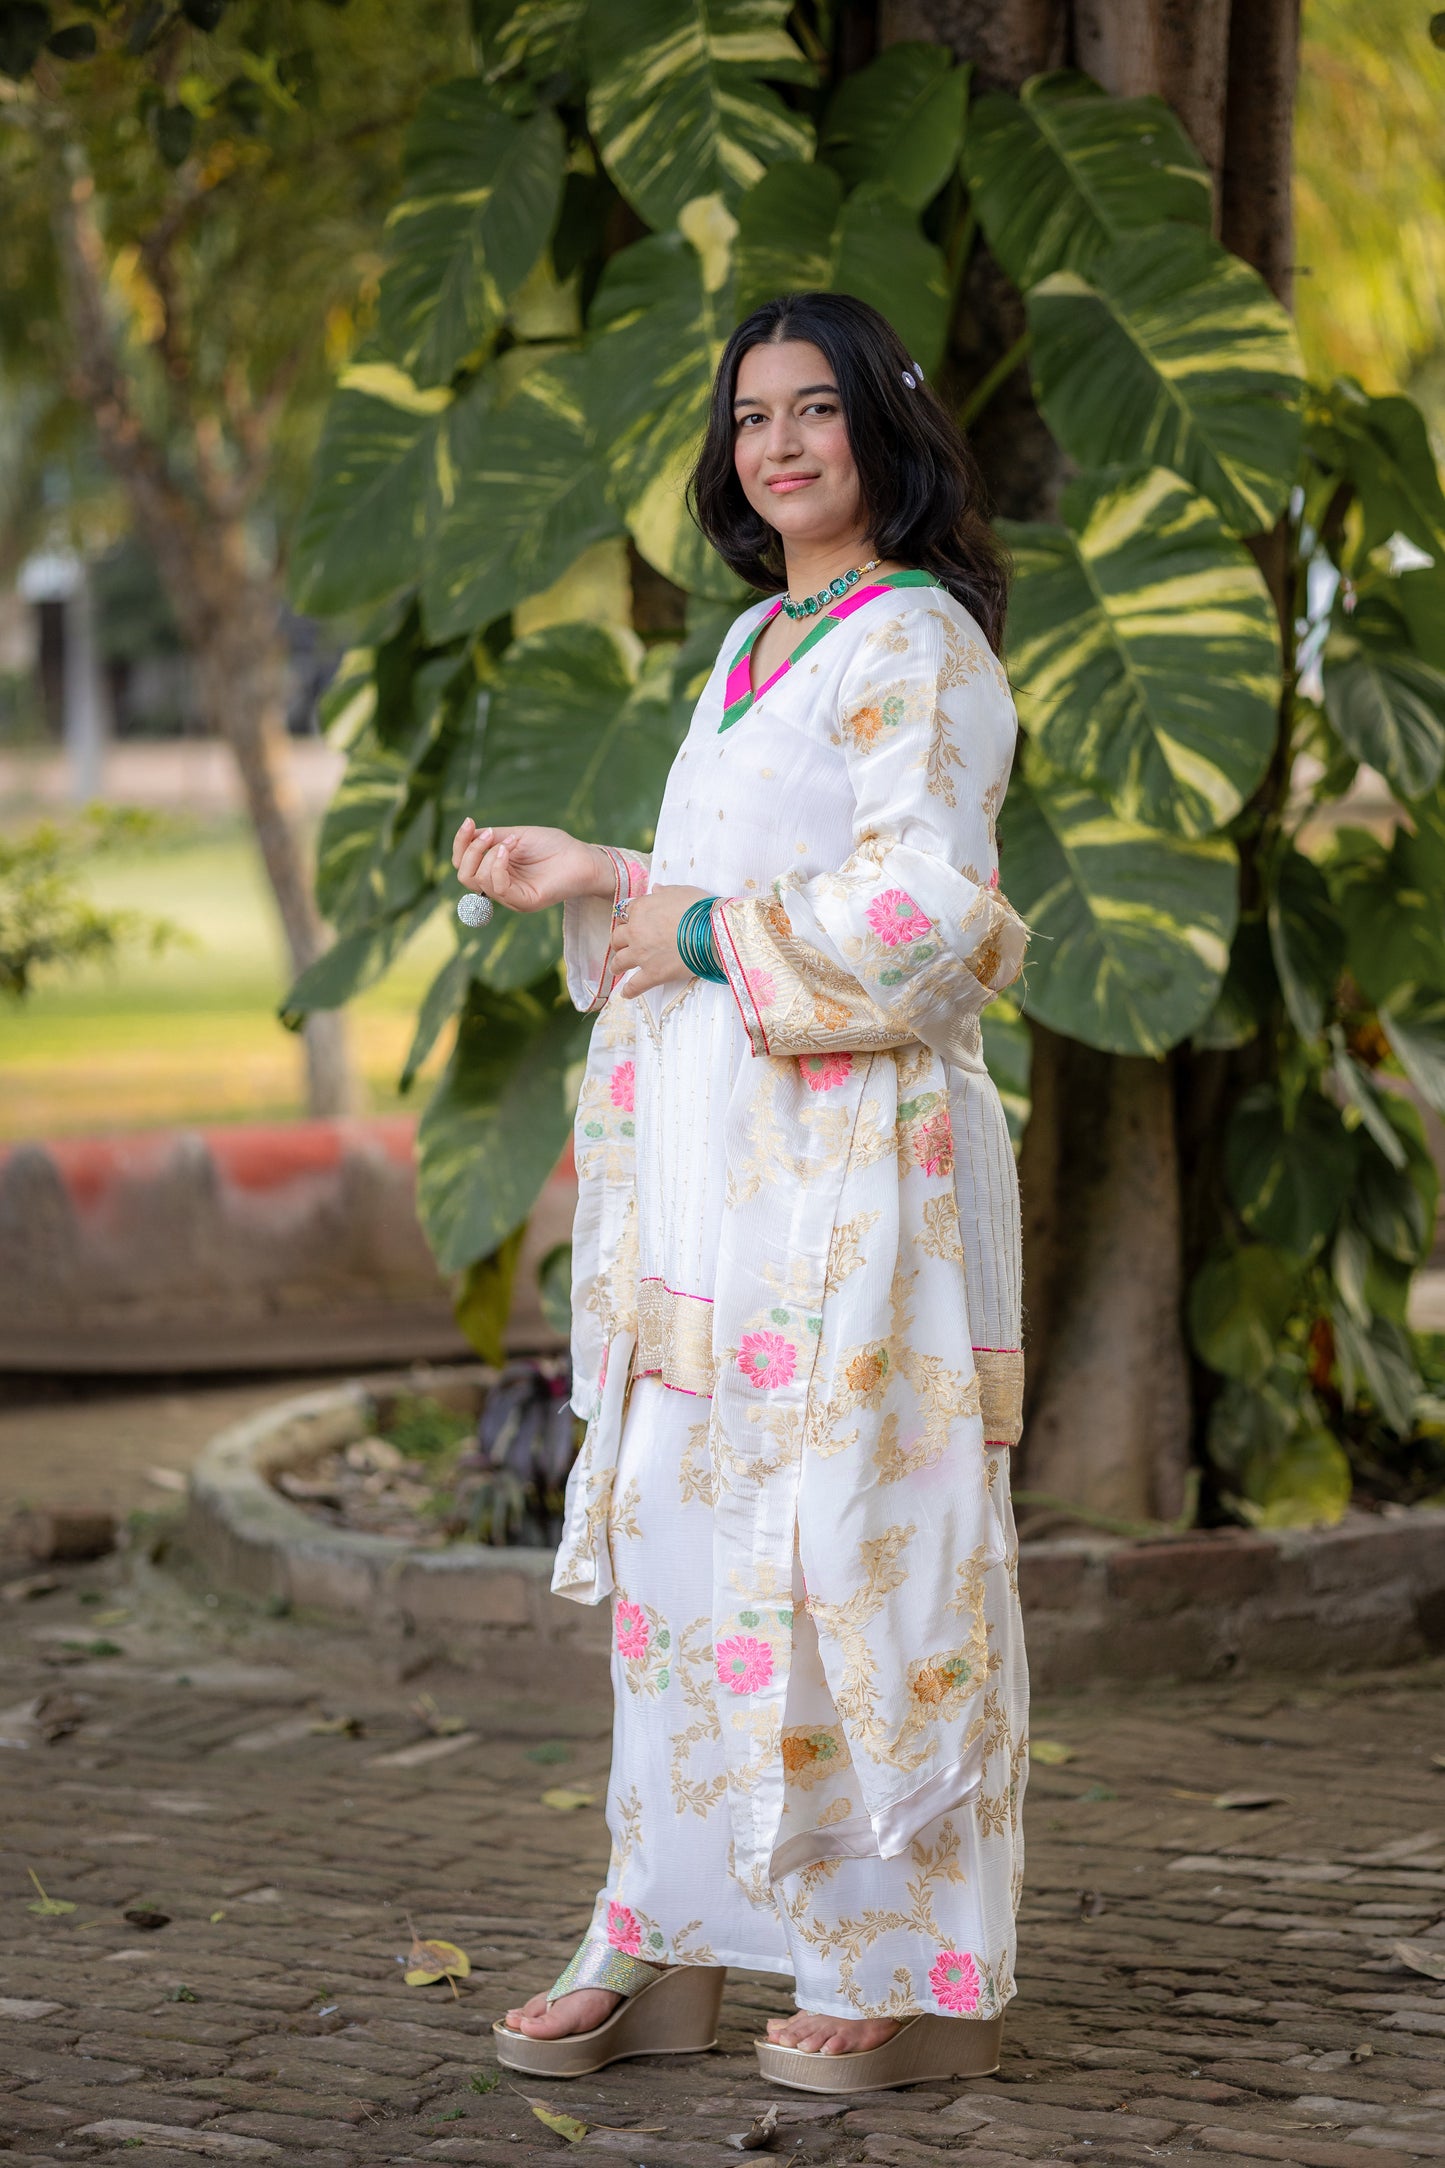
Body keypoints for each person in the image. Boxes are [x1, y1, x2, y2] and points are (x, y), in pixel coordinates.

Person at [452, 292, 1029, 2097]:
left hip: (854, 1180)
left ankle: (905, 1964)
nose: (776, 444)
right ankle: (660, 1927)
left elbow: (927, 913)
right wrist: (602, 870)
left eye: (814, 410)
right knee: (686, 1550)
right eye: (751, 415)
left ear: (882, 430)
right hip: (711, 1186)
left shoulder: (917, 640)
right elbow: (741, 876)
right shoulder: (758, 640)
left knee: (859, 1546)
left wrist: (696, 928)